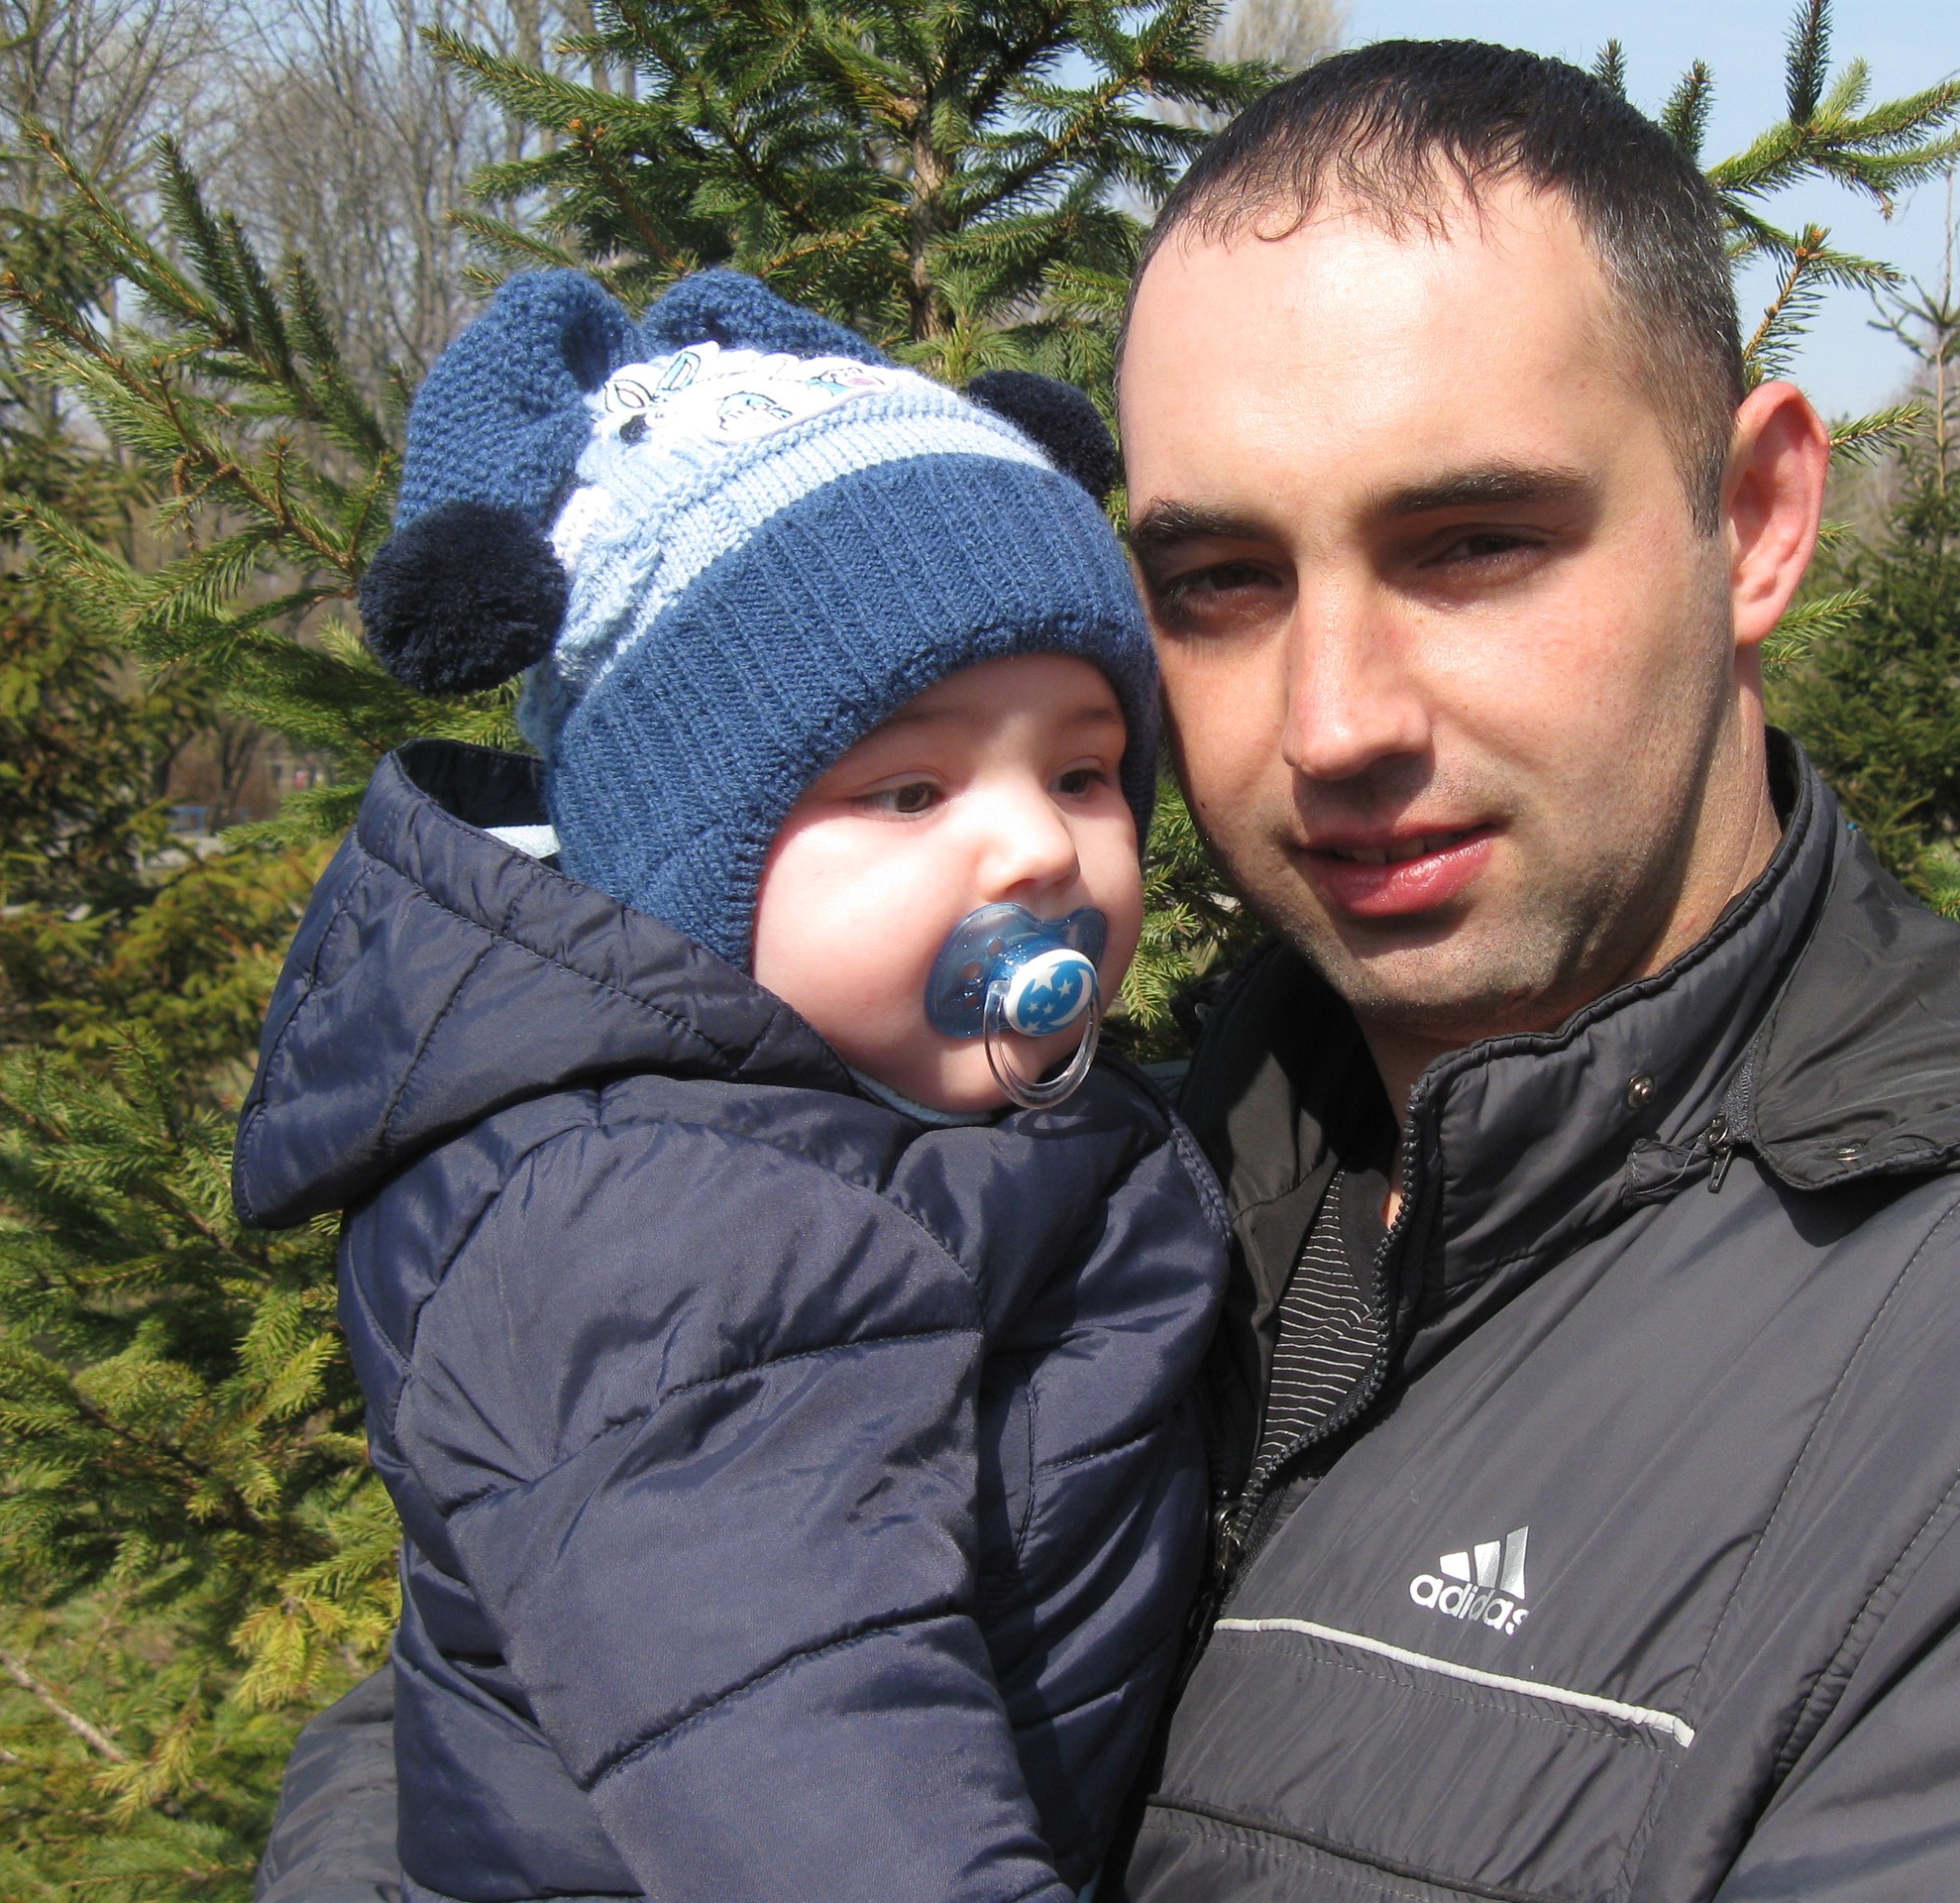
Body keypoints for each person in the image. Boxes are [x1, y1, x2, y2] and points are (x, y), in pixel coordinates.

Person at [255, 41, 1960, 1903]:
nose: (1331, 722)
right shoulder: (1093, 1160)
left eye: (1470, 543)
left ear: (1754, 517)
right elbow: (532, 1689)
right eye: (1217, 580)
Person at [230, 268, 1226, 1903]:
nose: (1037, 846)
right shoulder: (657, 1240)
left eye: (1083, 769)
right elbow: (815, 1792)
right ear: (682, 865)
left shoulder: (937, 1121)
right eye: (907, 792)